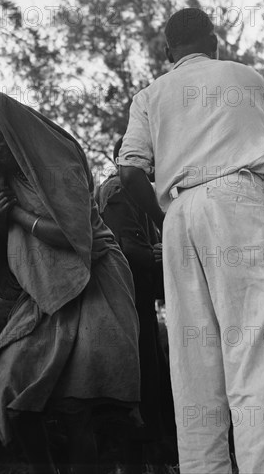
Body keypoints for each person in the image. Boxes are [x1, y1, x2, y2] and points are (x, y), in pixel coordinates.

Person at [118, 7, 264, 473]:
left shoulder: (150, 94)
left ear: (167, 52)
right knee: (262, 356)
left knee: (194, 368)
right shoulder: (246, 78)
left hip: (179, 213)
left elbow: (128, 171)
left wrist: (167, 215)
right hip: (239, 201)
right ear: (215, 42)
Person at [0, 91, 141, 474]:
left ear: (14, 129)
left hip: (94, 280)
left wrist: (17, 215)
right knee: (7, 383)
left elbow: (74, 237)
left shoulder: (55, 160)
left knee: (81, 404)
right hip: (43, 290)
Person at [95, 137, 177, 467]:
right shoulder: (117, 190)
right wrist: (163, 255)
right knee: (139, 389)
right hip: (126, 305)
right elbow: (127, 251)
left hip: (140, 303)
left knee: (153, 387)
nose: (156, 166)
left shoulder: (142, 194)